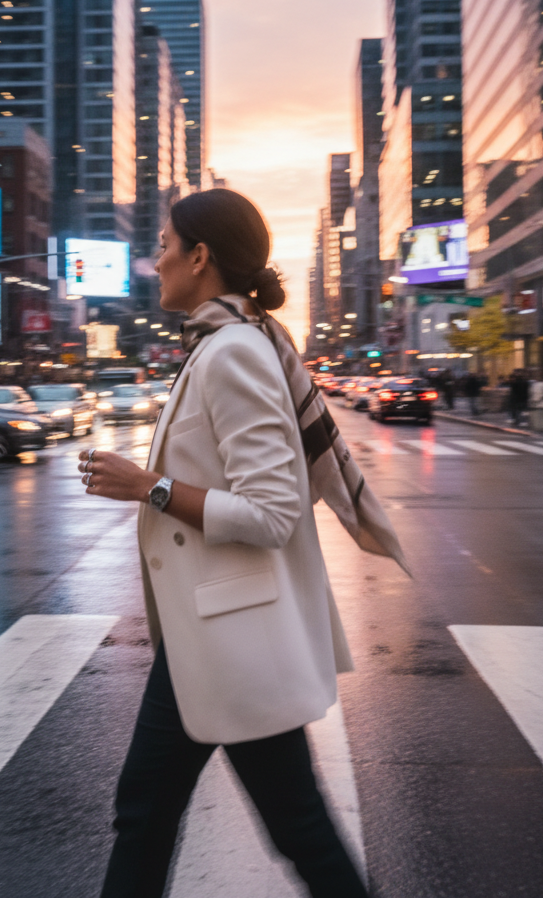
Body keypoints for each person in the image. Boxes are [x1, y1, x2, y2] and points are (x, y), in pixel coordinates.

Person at [78, 189, 406, 898]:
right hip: (216, 634)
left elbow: (273, 512)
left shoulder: (233, 353)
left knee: (266, 823)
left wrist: (149, 487)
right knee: (167, 813)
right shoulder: (223, 345)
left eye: (164, 244)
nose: (154, 261)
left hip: (232, 636)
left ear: (201, 257)